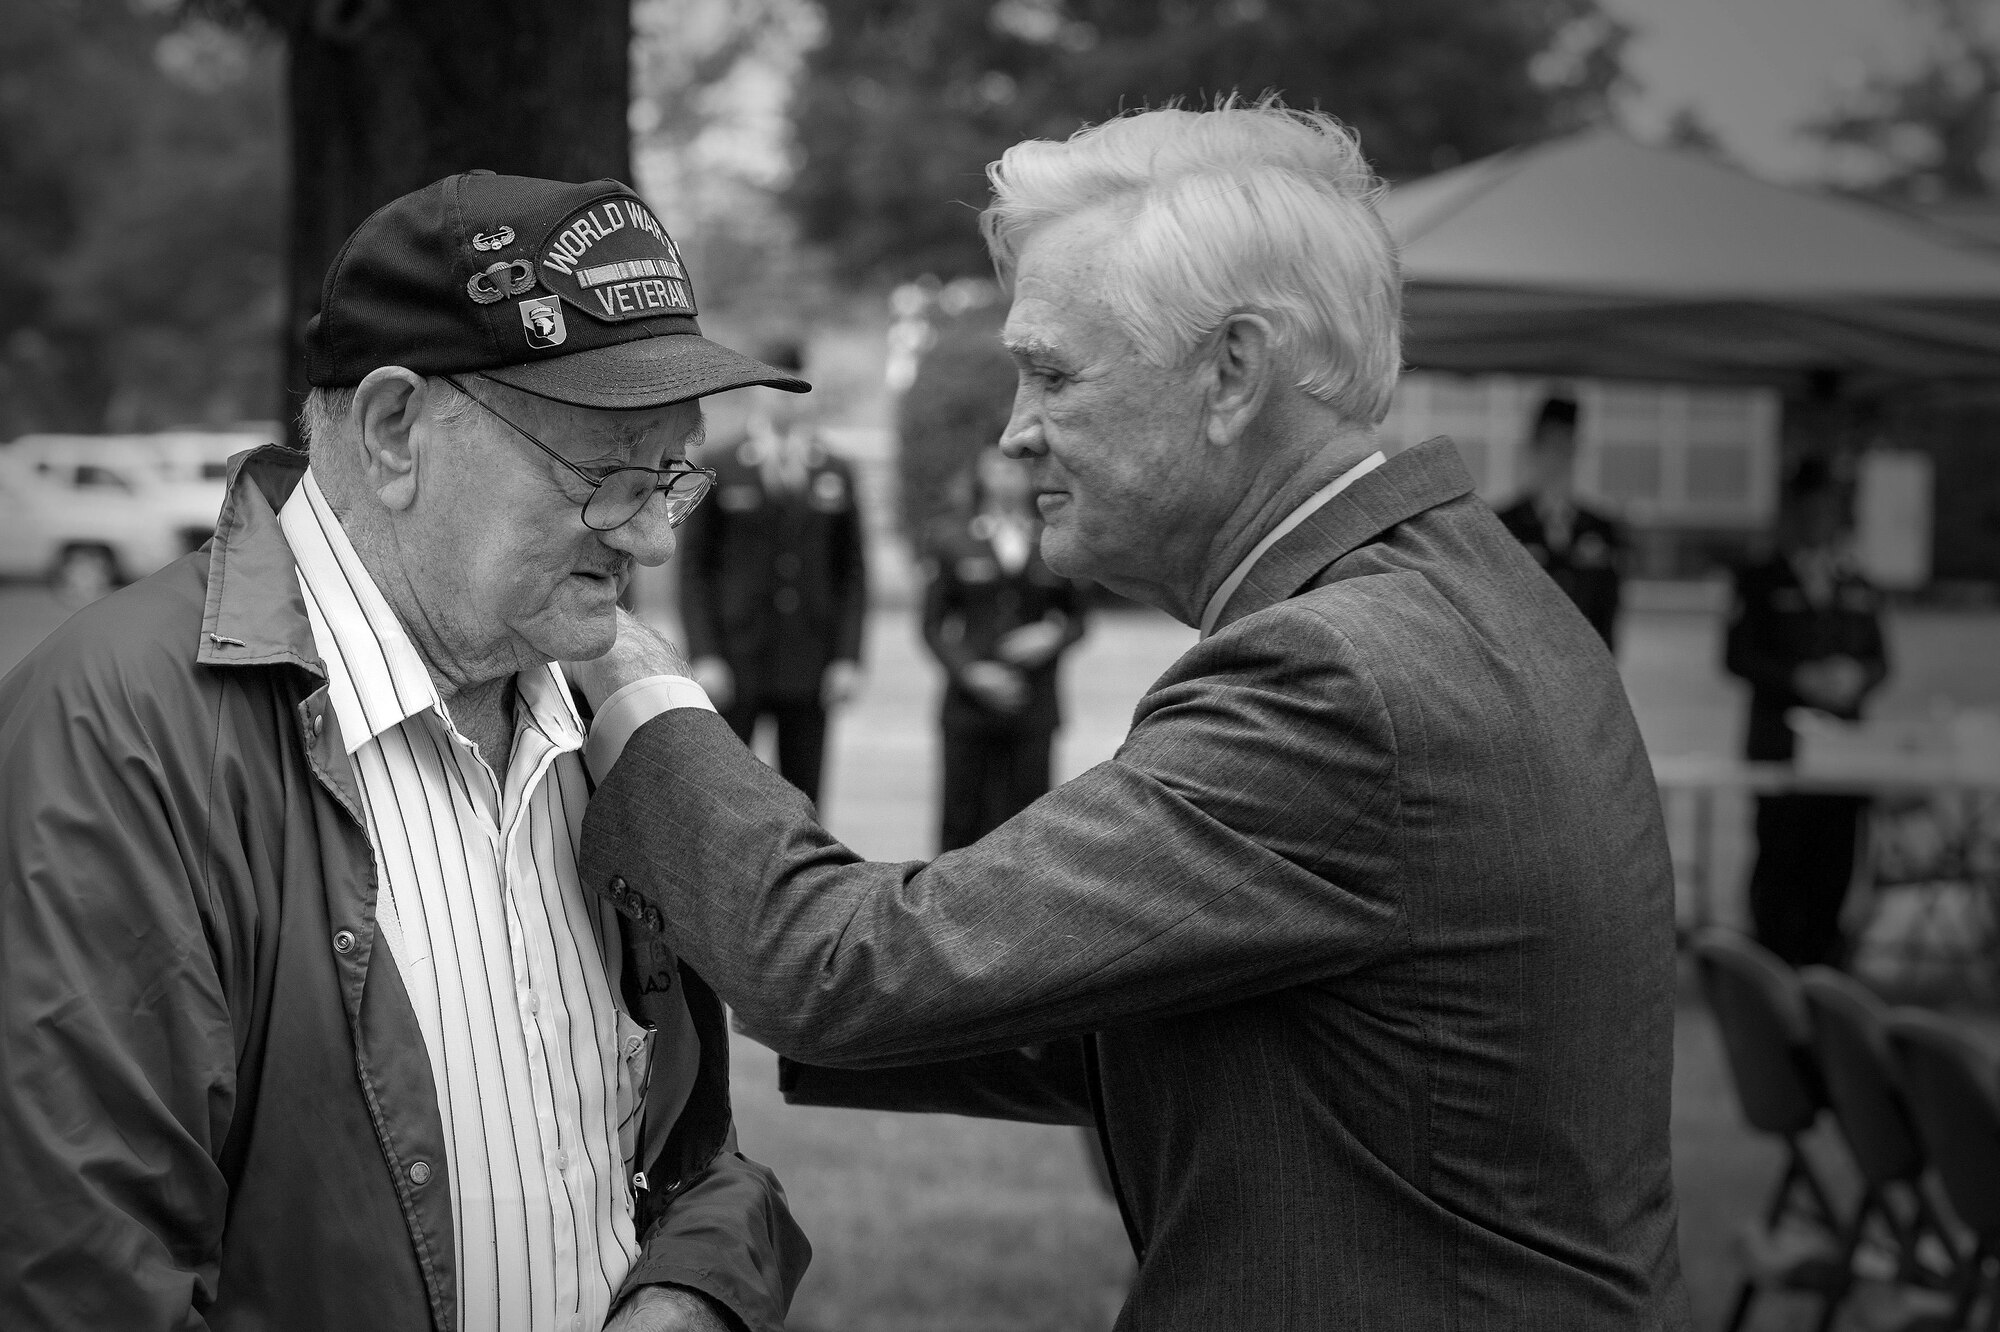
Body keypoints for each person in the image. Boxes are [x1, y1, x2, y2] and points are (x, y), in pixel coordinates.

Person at [572, 102, 1690, 1328]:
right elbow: (1218, 1030)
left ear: (1231, 373)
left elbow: (852, 971)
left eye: (1052, 371)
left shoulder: (1334, 677)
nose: (1013, 429)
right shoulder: (1458, 593)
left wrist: (635, 681)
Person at [0, 172, 810, 1332]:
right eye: (609, 475)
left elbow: (684, 1149)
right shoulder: (117, 729)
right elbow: (77, 1277)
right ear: (393, 431)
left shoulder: (604, 707)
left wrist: (691, 1292)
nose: (652, 535)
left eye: (675, 475)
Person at [675, 340, 867, 806]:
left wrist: (847, 657)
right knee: (730, 795)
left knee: (806, 795)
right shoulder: (721, 466)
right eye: (774, 387)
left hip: (810, 660)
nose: (784, 399)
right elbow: (695, 572)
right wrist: (704, 654)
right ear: (756, 390)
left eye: (793, 388)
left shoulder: (835, 470)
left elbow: (853, 574)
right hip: (737, 659)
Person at [1725, 456, 1889, 966]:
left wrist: (1856, 675)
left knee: (1835, 866)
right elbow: (1737, 655)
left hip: (1842, 758)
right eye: (1810, 508)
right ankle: (1773, 973)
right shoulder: (1760, 578)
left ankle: (1827, 970)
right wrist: (1798, 679)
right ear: (1794, 512)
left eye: (1828, 508)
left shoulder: (1856, 582)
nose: (1819, 519)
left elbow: (1882, 659)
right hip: (1783, 751)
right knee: (1779, 865)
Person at [922, 446, 1087, 851]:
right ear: (980, 473)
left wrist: (1052, 636)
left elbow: (1079, 619)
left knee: (1028, 826)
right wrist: (970, 673)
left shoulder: (1054, 536)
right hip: (969, 706)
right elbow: (931, 626)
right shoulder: (952, 537)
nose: (1005, 478)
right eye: (995, 467)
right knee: (961, 823)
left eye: (1014, 469)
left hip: (1034, 704)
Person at [1497, 394, 1626, 650]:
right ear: (1534, 446)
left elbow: (1608, 608)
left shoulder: (1600, 528)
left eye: (1566, 443)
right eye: (1550, 443)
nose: (1558, 455)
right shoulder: (1502, 525)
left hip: (1586, 665)